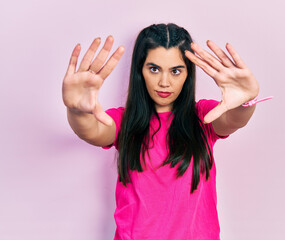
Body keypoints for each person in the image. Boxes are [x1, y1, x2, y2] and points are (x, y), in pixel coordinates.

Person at [62, 23, 272, 240]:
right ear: (140, 70)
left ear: (187, 73)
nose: (164, 82)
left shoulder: (202, 116)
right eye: (154, 69)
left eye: (175, 71)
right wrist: (77, 111)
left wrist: (245, 101)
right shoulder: (124, 121)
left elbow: (233, 120)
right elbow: (92, 131)